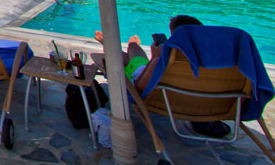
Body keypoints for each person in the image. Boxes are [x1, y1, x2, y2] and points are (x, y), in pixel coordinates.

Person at [95, 15, 229, 138]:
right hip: (201, 102)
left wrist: (156, 58)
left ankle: (113, 45)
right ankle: (124, 46)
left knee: (131, 54)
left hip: (153, 87)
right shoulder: (219, 62)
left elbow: (140, 87)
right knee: (132, 56)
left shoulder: (169, 58)